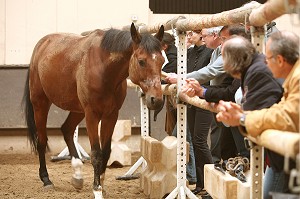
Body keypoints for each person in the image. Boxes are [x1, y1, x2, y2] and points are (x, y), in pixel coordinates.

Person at [216, 31, 299, 198]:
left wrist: (242, 118)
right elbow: (282, 109)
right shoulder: (292, 78)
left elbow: (288, 117)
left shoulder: (295, 78)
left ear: (280, 60)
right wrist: (243, 116)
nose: (265, 63)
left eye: (267, 59)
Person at [166, 26, 233, 196]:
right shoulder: (205, 51)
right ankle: (203, 183)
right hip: (204, 96)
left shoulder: (211, 52)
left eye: (196, 34)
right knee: (199, 142)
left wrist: (183, 80)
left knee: (201, 141)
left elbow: (208, 73)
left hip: (209, 97)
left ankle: (209, 184)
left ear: (214, 35)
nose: (200, 38)